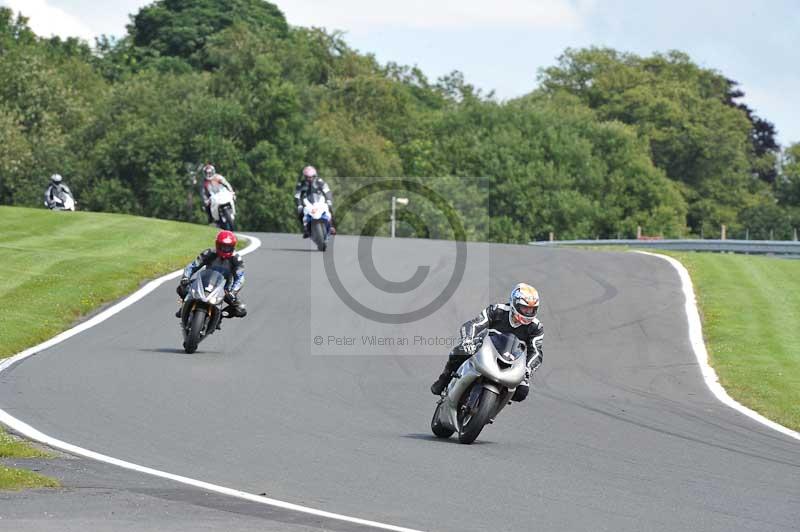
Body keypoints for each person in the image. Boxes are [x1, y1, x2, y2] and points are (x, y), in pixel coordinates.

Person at [430, 283, 544, 402]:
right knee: (460, 351)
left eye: (532, 309)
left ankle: (491, 405)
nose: (528, 312)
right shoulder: (497, 310)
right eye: (525, 308)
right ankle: (444, 380)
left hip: (512, 359)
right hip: (486, 349)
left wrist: (528, 369)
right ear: (514, 303)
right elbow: (474, 324)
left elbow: (536, 352)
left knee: (522, 392)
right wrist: (468, 340)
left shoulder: (536, 327)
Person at [175, 230, 247, 324]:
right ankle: (184, 306)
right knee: (181, 288)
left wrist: (233, 292)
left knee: (241, 310)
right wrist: (185, 277)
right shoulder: (209, 253)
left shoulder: (236, 259)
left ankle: (221, 315)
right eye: (223, 246)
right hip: (204, 281)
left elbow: (240, 277)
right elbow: (193, 266)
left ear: (233, 247)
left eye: (228, 247)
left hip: (225, 287)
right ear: (217, 244)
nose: (225, 249)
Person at [294, 165, 334, 238]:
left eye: (311, 177)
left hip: (319, 200)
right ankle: (305, 228)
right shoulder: (300, 184)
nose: (309, 179)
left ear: (315, 176)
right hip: (307, 202)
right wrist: (299, 205)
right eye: (307, 177)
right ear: (304, 177)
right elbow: (297, 196)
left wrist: (329, 200)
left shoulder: (320, 182)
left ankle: (332, 226)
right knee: (300, 212)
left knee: (330, 208)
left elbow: (327, 191)